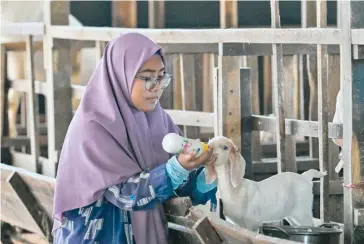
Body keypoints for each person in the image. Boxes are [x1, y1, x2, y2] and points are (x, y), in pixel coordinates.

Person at [52, 32, 217, 244]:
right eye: (147, 78)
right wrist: (176, 168)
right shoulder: (93, 128)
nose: (156, 87)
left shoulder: (159, 121)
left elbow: (176, 185)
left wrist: (206, 175)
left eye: (161, 77)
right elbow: (125, 194)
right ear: (121, 75)